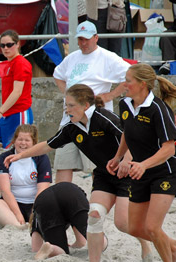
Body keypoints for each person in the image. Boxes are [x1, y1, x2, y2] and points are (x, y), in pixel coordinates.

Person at [5, 84, 151, 262]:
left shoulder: (103, 117)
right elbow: (48, 144)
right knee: (94, 217)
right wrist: (20, 155)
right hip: (104, 176)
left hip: (126, 174)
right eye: (65, 106)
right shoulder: (71, 128)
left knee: (122, 223)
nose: (67, 110)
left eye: (71, 105)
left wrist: (126, 160)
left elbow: (131, 136)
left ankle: (147, 244)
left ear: (85, 105)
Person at [107, 63, 176, 262]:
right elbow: (127, 131)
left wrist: (144, 164)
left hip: (164, 172)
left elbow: (170, 148)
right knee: (135, 227)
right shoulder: (125, 104)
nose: (124, 84)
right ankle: (172, 247)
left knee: (153, 227)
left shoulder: (158, 109)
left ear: (142, 85)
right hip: (139, 172)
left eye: (128, 80)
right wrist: (118, 156)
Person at [52, 20, 129, 184]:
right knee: (63, 163)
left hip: (95, 119)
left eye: (86, 39)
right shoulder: (72, 57)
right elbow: (58, 75)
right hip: (70, 119)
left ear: (96, 37)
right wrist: (67, 94)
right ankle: (62, 202)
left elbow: (130, 76)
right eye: (80, 39)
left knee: (98, 165)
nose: (83, 43)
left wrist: (110, 95)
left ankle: (97, 200)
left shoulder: (108, 57)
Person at [0, 29, 33, 177]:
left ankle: (12, 184)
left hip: (18, 113)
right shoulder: (11, 63)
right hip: (7, 113)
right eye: (2, 45)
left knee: (18, 154)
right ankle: (1, 180)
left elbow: (17, 92)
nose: (5, 48)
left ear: (18, 44)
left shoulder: (20, 63)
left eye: (9, 45)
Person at [0, 124, 51, 228]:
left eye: (27, 140)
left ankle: (34, 222)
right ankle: (18, 226)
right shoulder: (3, 158)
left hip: (35, 203)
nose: (23, 143)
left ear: (34, 143)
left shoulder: (41, 158)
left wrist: (34, 212)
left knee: (53, 202)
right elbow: (5, 191)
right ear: (14, 141)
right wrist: (18, 214)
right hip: (13, 205)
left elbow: (42, 190)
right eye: (20, 139)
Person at [30, 182, 89, 260]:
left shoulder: (36, 218)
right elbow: (81, 241)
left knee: (60, 249)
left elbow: (35, 248)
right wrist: (74, 246)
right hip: (71, 191)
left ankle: (51, 248)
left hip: (44, 201)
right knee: (91, 234)